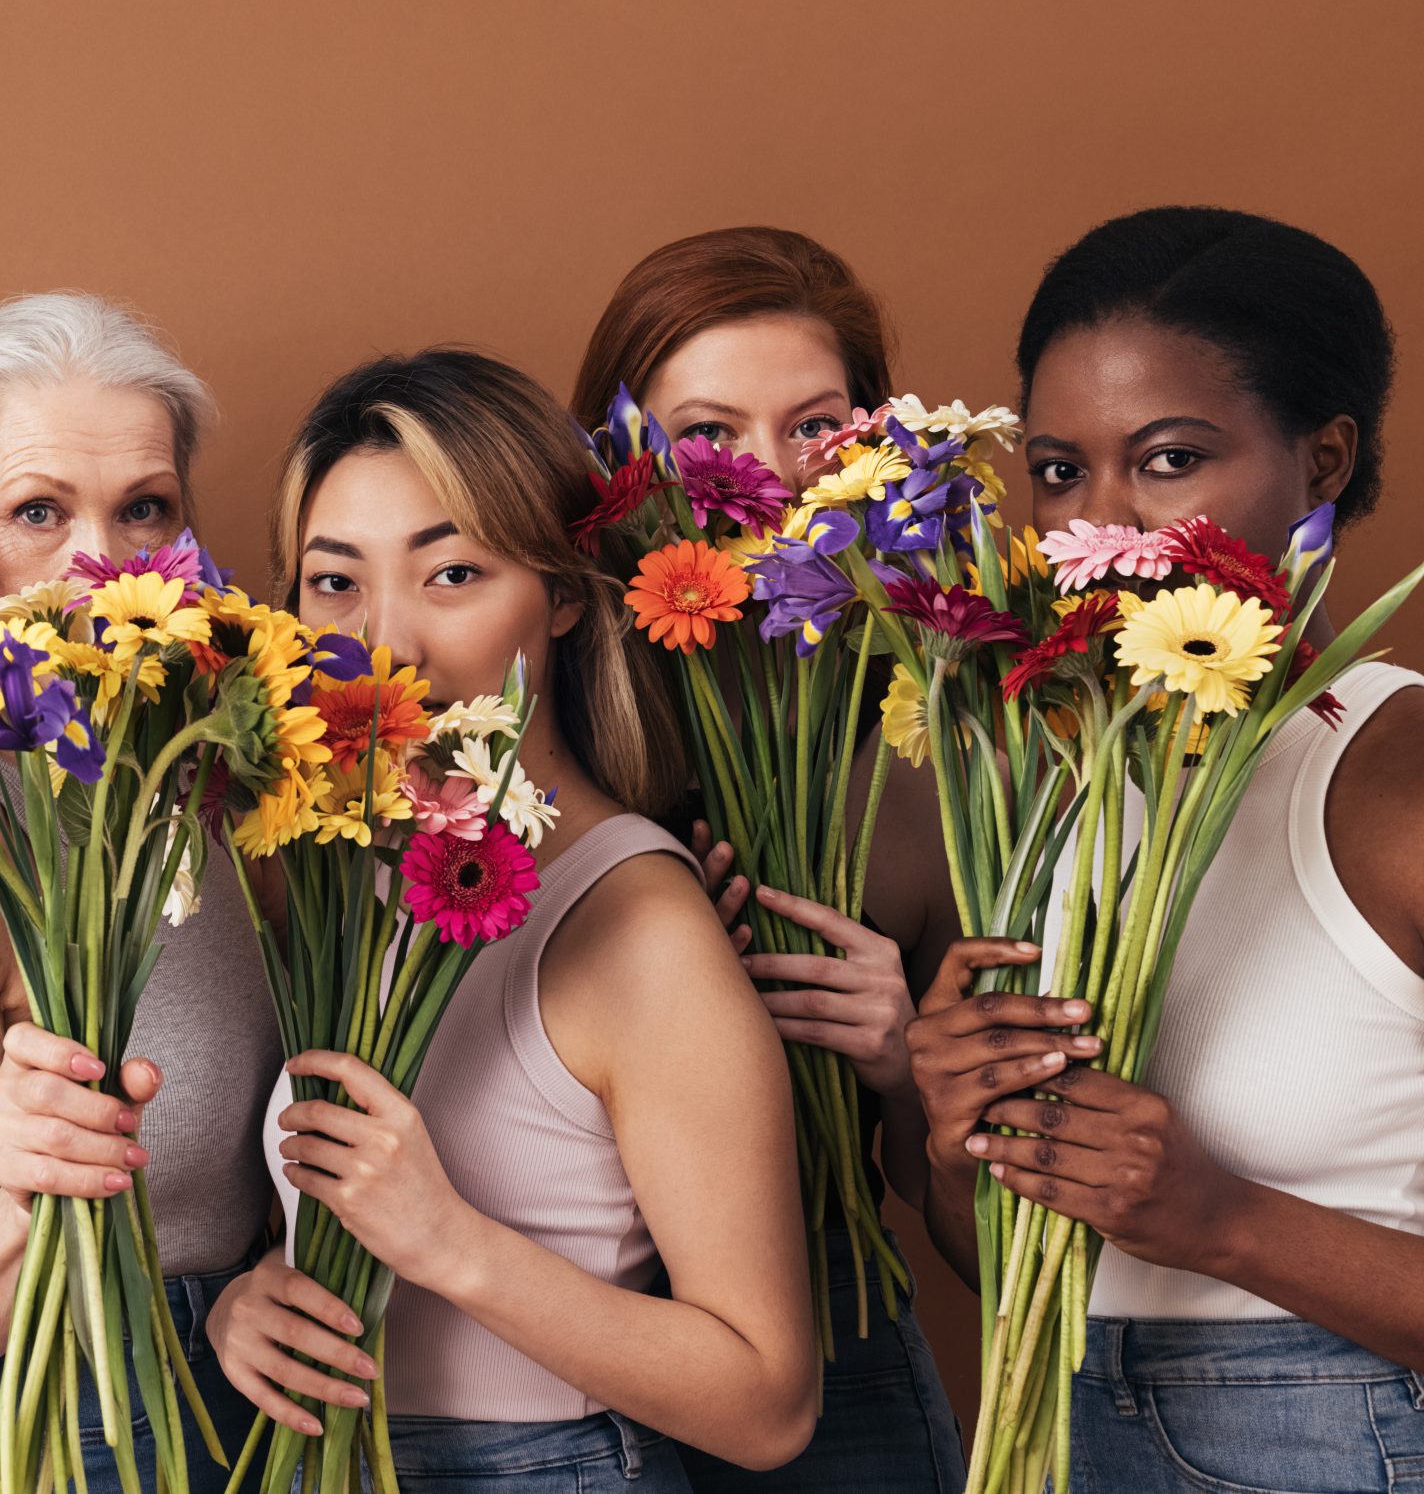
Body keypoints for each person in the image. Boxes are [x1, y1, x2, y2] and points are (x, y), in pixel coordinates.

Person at [211, 348, 817, 1489]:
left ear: (568, 602)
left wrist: (448, 1244)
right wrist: (249, 1304)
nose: (385, 644)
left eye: (451, 575)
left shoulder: (637, 925)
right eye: (333, 582)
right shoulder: (332, 877)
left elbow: (766, 1401)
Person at [907, 205, 1424, 1492]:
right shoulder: (1043, 788)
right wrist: (963, 1143)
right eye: (1060, 471)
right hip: (1065, 1429)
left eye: (1172, 458)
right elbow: (992, 1258)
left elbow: (1184, 1221)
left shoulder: (1394, 775)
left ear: (1322, 460)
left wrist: (1225, 1222)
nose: (1105, 530)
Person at [0, 292, 276, 1493]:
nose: (105, 563)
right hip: (39, 1431)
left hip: (257, 1421)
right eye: (38, 511)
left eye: (145, 509)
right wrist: (30, 1198)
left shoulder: (245, 800)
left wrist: (273, 1276)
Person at [572, 226, 967, 1489]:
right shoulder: (544, 719)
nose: (771, 476)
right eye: (706, 437)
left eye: (816, 427)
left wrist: (904, 1061)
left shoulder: (926, 737)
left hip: (835, 1339)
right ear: (619, 465)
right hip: (537, 1363)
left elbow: (960, 1221)